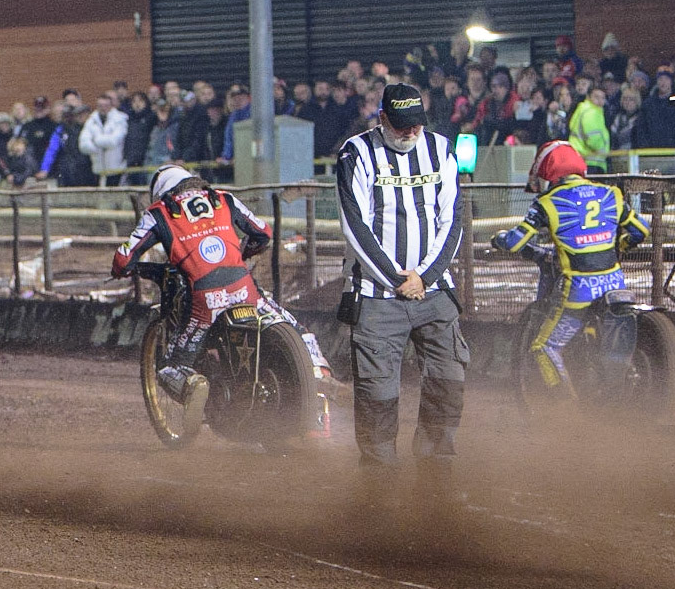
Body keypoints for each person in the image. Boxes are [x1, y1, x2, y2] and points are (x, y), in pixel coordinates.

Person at [111, 165, 330, 427]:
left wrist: (122, 269)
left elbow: (124, 259)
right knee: (296, 328)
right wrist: (242, 253)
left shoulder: (159, 212)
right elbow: (263, 234)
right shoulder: (223, 198)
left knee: (172, 366)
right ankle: (319, 372)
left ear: (161, 193)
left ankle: (195, 385)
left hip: (203, 298)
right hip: (244, 287)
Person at [335, 83, 467, 467]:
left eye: (416, 126)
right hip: (376, 295)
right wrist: (397, 279)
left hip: (435, 290)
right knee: (377, 394)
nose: (410, 133)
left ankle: (436, 468)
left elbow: (452, 219)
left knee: (449, 381)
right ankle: (378, 479)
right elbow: (355, 225)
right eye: (402, 126)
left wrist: (425, 277)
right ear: (383, 120)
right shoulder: (356, 153)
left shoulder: (441, 149)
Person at [491, 141, 648, 396]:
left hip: (579, 288)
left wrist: (499, 239)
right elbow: (641, 231)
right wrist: (620, 246)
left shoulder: (547, 202)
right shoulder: (611, 194)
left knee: (544, 346)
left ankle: (564, 408)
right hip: (614, 284)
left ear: (548, 172)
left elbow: (515, 242)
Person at [78, 92, 129, 186]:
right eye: (100, 105)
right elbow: (83, 144)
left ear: (111, 106)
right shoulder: (91, 121)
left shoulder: (120, 119)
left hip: (115, 169)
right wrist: (97, 148)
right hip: (97, 169)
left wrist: (96, 140)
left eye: (105, 105)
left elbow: (114, 141)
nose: (103, 108)